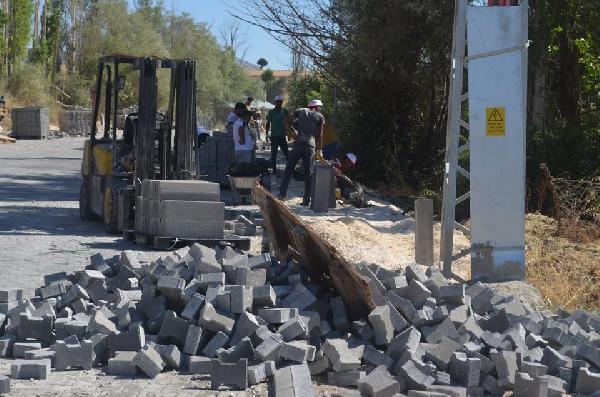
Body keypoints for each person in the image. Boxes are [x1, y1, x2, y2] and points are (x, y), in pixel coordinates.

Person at [278, 99, 325, 205]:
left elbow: (286, 120)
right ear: (315, 107)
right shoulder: (320, 117)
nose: (320, 109)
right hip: (310, 146)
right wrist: (319, 150)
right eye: (319, 107)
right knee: (309, 173)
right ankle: (306, 200)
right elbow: (320, 135)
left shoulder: (301, 111)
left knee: (289, 168)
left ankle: (282, 194)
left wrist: (291, 131)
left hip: (298, 144)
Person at [265, 95, 289, 173]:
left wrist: (289, 134)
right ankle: (274, 169)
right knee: (273, 153)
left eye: (281, 102)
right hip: (274, 136)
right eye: (278, 102)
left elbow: (288, 122)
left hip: (282, 136)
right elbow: (268, 123)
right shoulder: (271, 112)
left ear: (282, 102)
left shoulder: (285, 111)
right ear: (275, 102)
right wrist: (266, 134)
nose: (279, 103)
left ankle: (290, 168)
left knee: (286, 153)